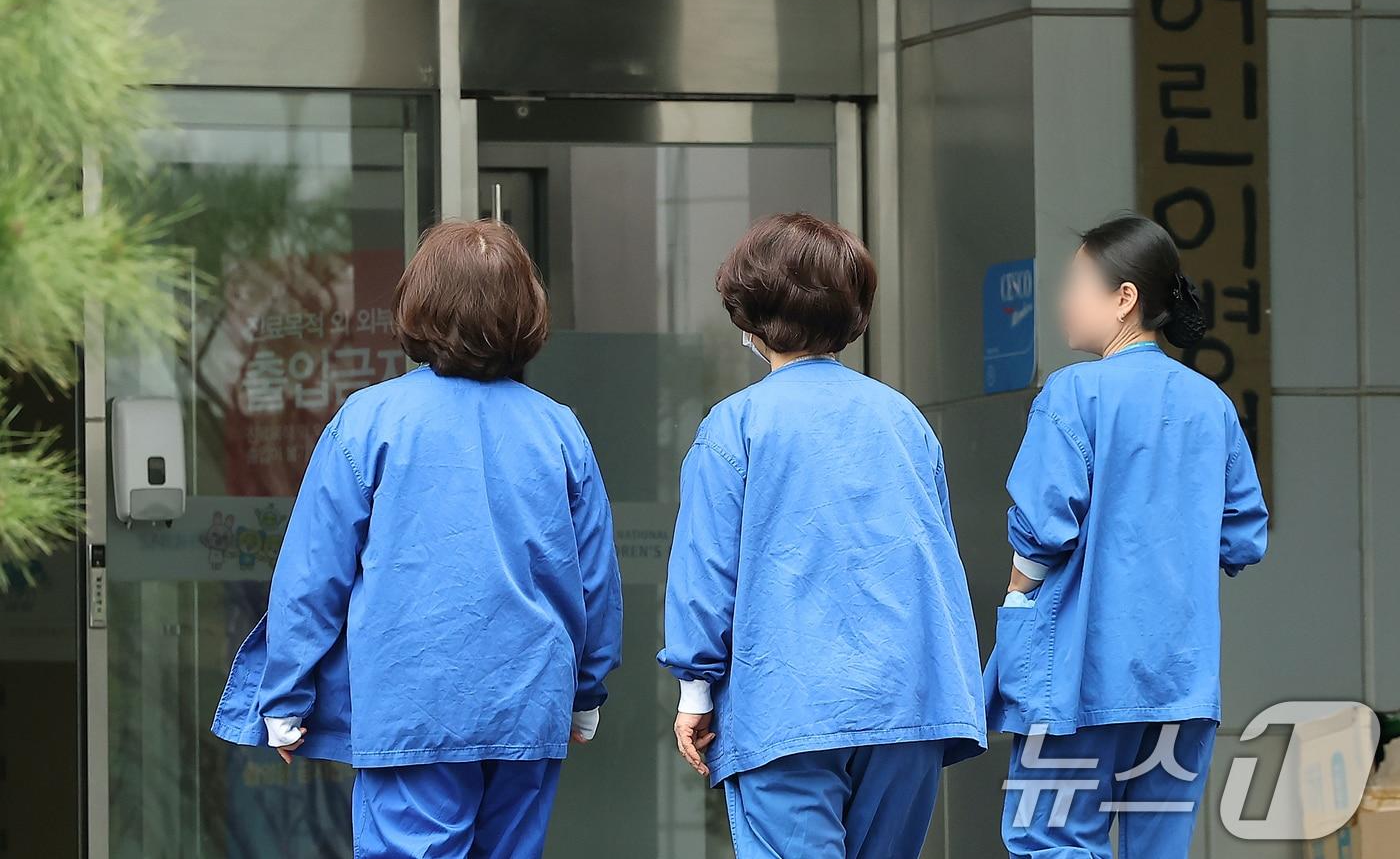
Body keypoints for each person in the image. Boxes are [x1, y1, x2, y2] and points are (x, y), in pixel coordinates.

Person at [212, 219, 623, 859]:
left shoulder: (371, 422)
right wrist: (585, 691)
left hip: (413, 706)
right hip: (528, 708)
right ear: (528, 313)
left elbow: (314, 576)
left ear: (418, 306)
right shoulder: (559, 430)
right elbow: (594, 580)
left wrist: (285, 693)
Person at [657, 212, 986, 859]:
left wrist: (696, 690)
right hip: (906, 705)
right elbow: (936, 557)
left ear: (747, 314)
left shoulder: (737, 427)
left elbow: (705, 571)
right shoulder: (905, 421)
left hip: (788, 706)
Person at [985, 213, 1269, 858]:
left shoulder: (1074, 392)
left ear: (1124, 299)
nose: (1064, 299)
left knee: (1052, 838)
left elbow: (1040, 531)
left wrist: (1015, 604)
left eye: (1078, 284)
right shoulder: (1210, 404)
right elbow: (1244, 539)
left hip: (1081, 675)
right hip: (1180, 681)